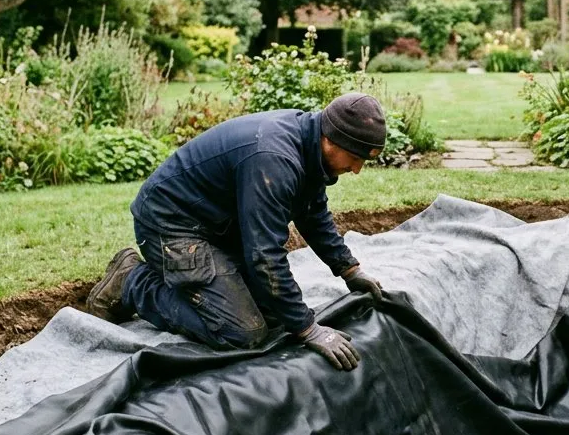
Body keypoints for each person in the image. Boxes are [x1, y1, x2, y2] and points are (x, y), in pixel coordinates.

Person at [85, 92, 388, 371]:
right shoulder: (275, 159)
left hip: (216, 225)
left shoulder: (309, 147)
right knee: (243, 333)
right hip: (171, 225)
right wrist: (308, 329)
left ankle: (195, 282)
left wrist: (349, 269)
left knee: (274, 315)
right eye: (356, 158)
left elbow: (313, 214)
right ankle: (132, 282)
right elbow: (264, 256)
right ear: (331, 139)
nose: (357, 169)